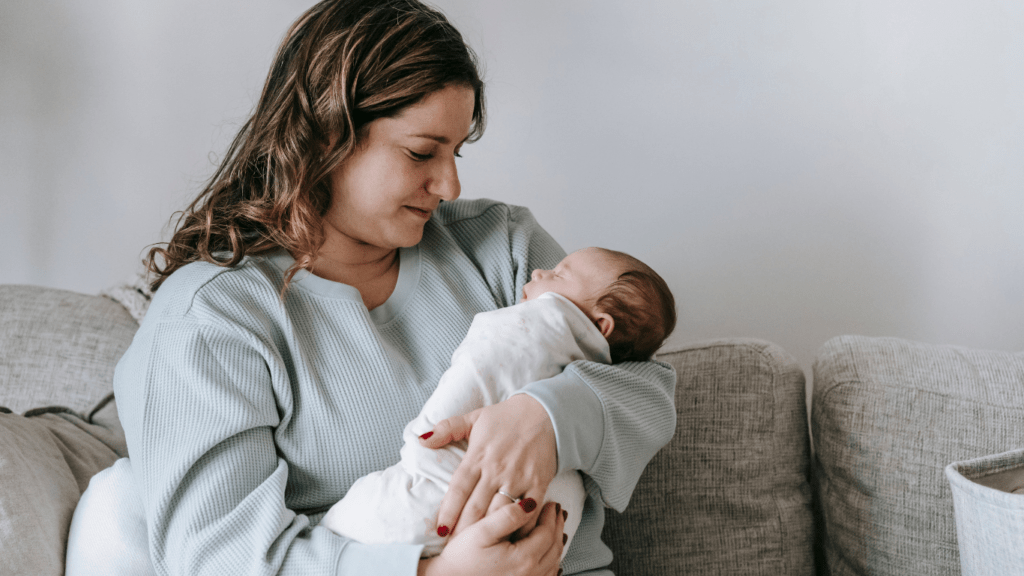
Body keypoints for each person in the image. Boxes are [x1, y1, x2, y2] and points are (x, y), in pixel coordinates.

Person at [66, 1, 677, 575]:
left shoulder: (501, 247)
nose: (450, 185)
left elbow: (648, 388)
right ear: (325, 136)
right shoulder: (216, 315)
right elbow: (220, 552)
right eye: (421, 153)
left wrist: (547, 418)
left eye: (457, 151)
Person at [320, 247, 677, 558]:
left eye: (557, 274)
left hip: (513, 541)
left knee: (352, 517)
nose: (539, 271)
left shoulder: (520, 270)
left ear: (602, 326)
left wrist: (545, 414)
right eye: (421, 161)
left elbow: (656, 391)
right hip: (484, 547)